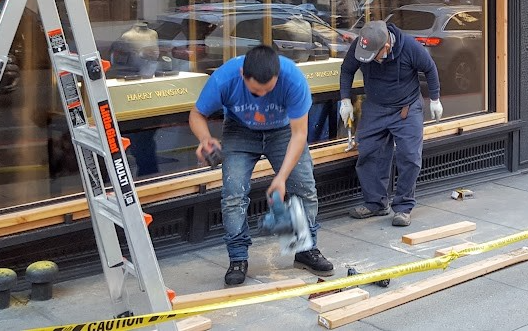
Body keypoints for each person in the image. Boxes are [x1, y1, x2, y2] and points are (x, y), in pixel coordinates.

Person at [188, 45, 335, 285]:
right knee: (233, 193)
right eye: (256, 92)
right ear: (242, 74)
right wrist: (205, 139)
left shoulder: (293, 79)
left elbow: (299, 135)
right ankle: (238, 258)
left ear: (278, 75)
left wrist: (281, 178)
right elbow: (197, 114)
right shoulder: (224, 78)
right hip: (239, 131)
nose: (263, 95)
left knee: (303, 188)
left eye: (269, 90)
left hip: (283, 131)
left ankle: (304, 250)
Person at [339, 21, 442, 227]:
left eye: (373, 55)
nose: (367, 58)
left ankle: (403, 207)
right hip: (376, 106)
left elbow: (430, 69)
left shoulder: (410, 48)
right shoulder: (363, 45)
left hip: (406, 108)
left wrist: (435, 99)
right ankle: (375, 203)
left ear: (386, 47)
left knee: (410, 156)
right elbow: (347, 70)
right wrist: (345, 100)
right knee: (369, 152)